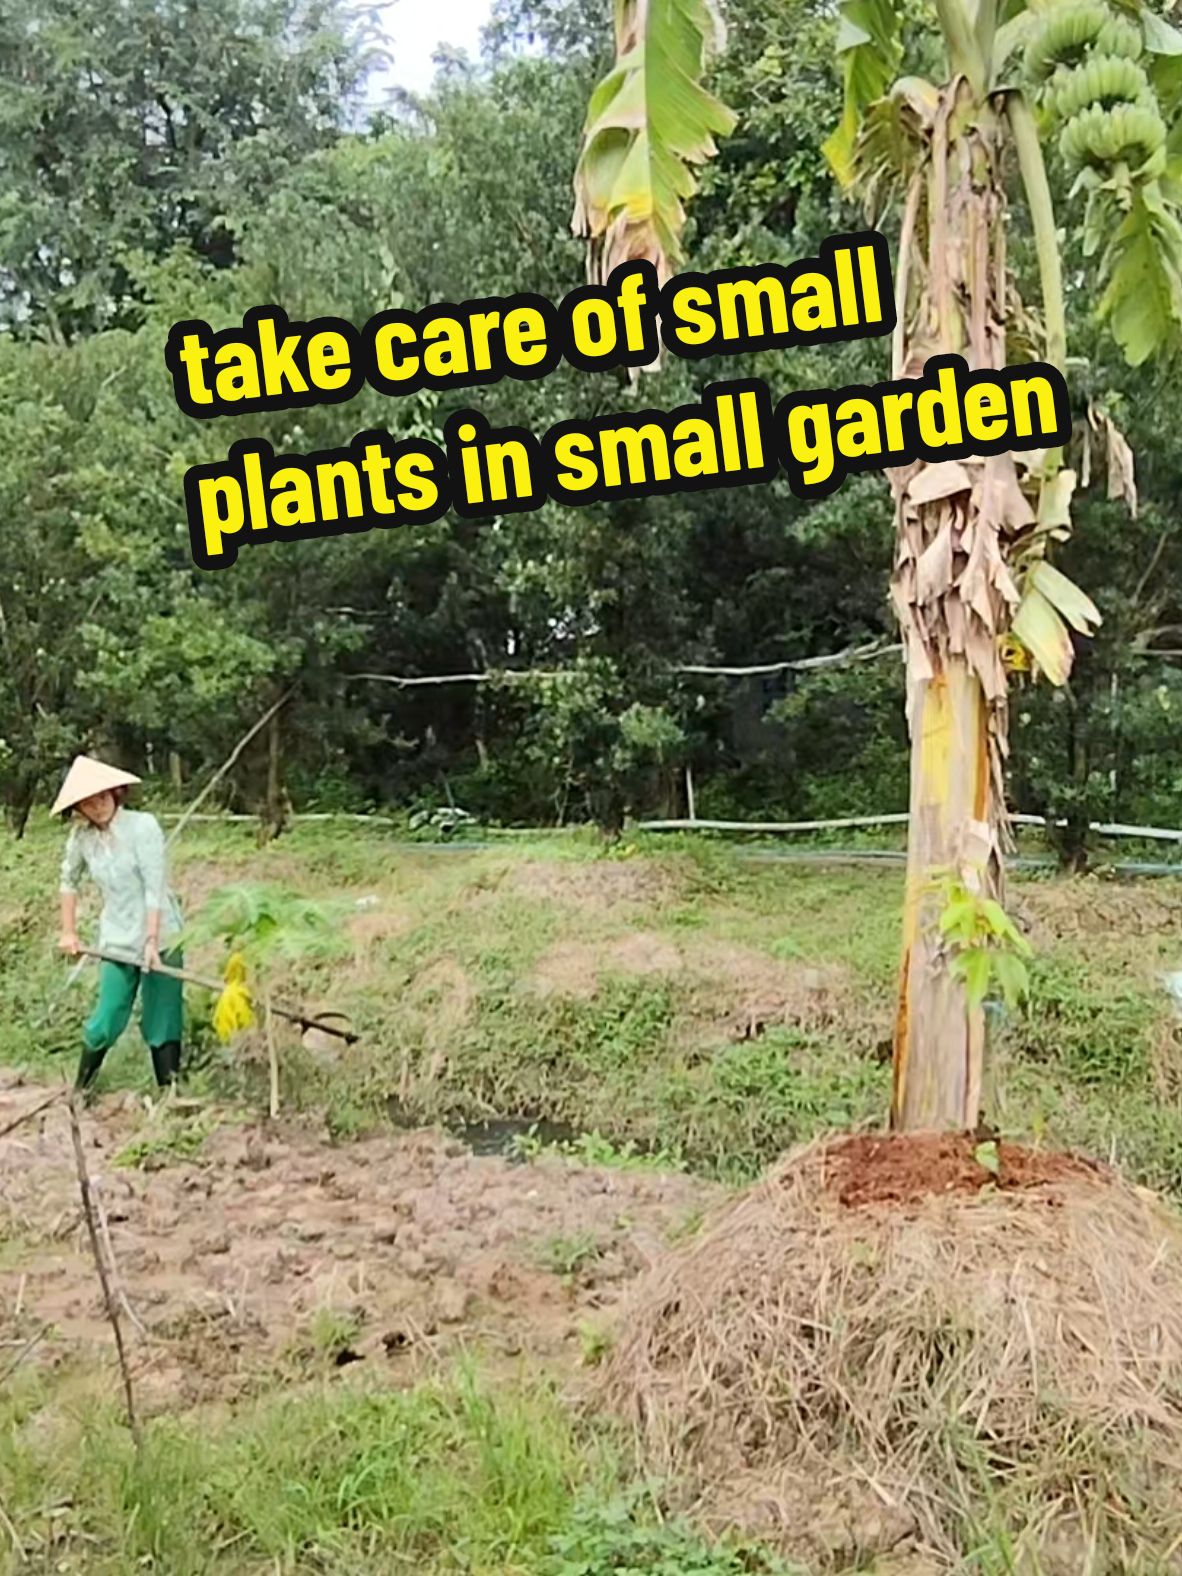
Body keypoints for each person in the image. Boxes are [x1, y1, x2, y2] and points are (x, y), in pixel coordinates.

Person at [53, 755, 185, 1094]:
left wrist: (152, 941)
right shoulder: (82, 841)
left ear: (115, 792)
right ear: (78, 809)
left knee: (162, 1018)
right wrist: (68, 930)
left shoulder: (143, 827)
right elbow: (68, 881)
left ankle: (169, 1098)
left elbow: (154, 888)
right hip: (117, 938)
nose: (97, 807)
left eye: (101, 797)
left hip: (162, 935)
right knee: (107, 1016)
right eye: (87, 802)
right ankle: (80, 1092)